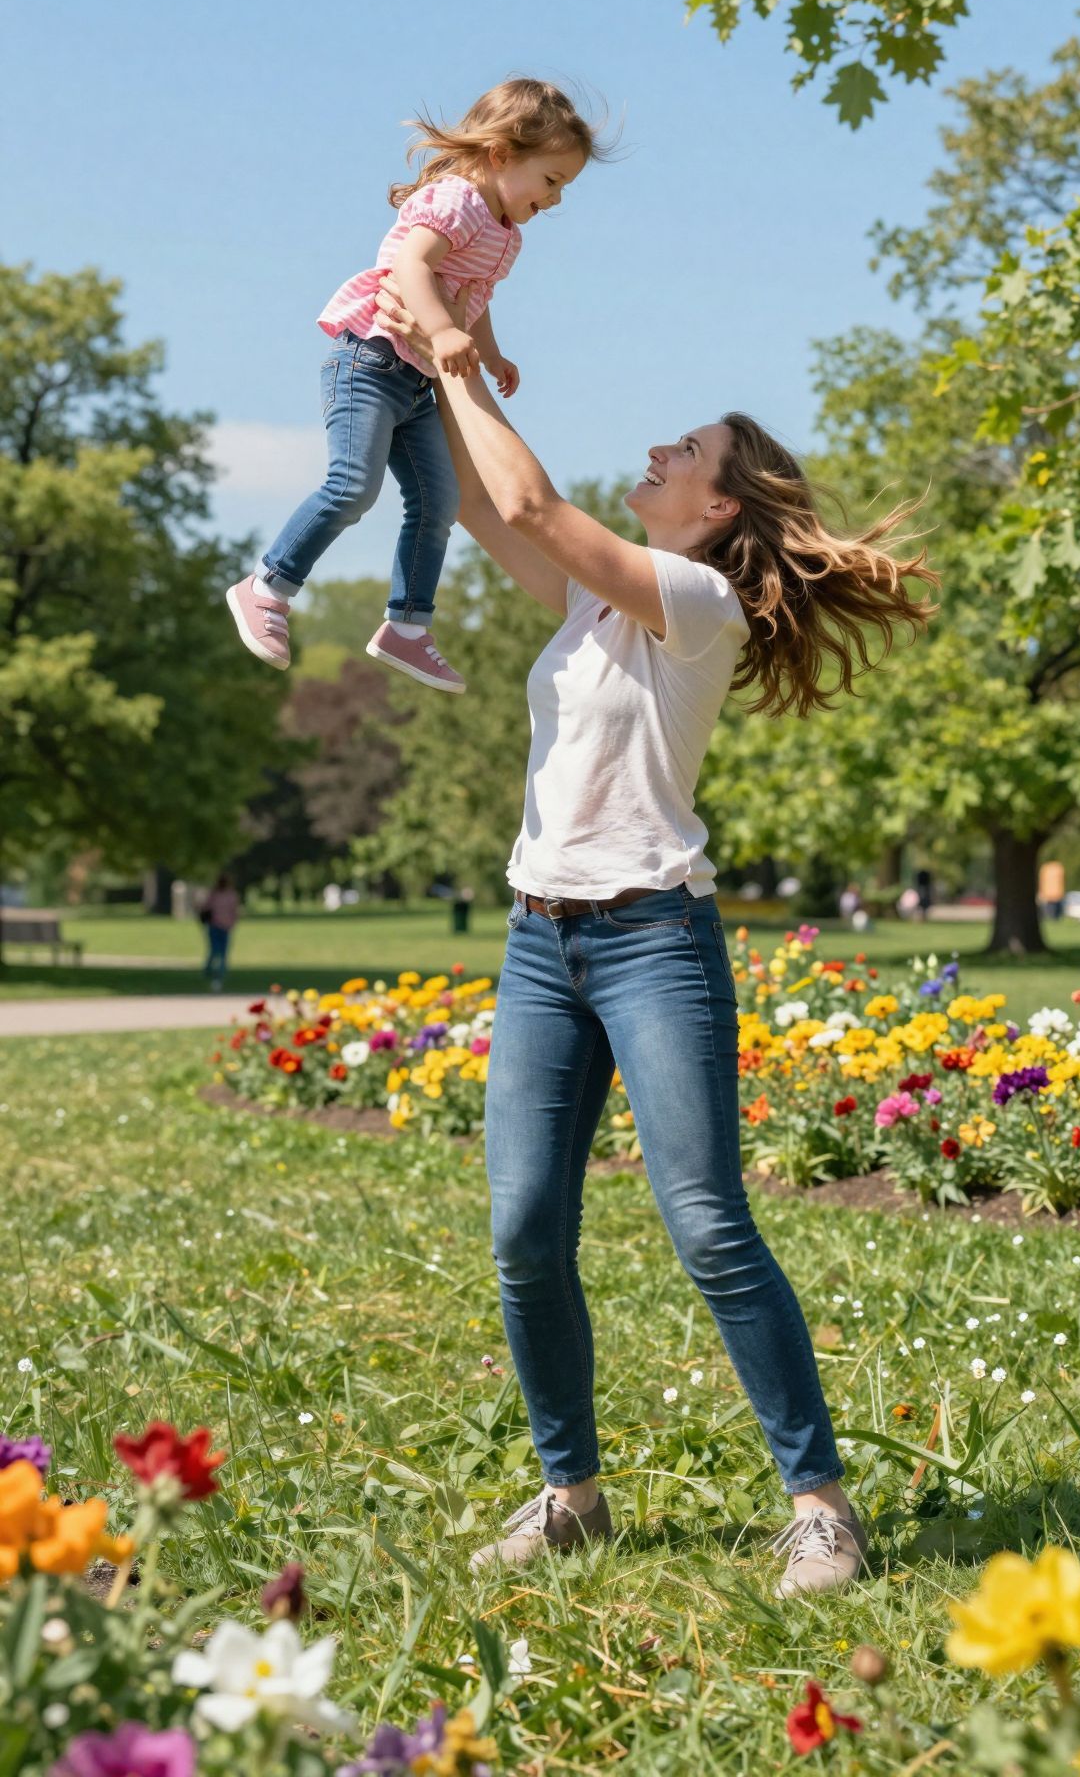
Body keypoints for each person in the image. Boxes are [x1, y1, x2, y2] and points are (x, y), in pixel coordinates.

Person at [375, 282, 934, 1595]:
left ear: (720, 506)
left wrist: (462, 362)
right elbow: (476, 498)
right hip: (537, 943)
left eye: (684, 453)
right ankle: (570, 1493)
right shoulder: (590, 609)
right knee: (522, 1229)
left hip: (652, 943)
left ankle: (821, 1507)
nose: (657, 456)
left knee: (708, 1225)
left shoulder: (694, 601)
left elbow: (530, 505)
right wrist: (417, 344)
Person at [226, 78, 602, 693]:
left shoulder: (506, 234)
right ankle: (266, 586)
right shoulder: (454, 200)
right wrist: (440, 330)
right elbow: (410, 264)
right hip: (370, 358)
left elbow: (473, 298)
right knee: (353, 485)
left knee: (438, 503)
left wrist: (489, 350)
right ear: (501, 155)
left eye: (565, 187)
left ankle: (406, 627)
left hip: (417, 380)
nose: (556, 198)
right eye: (552, 180)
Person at [201, 874, 240, 991]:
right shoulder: (230, 895)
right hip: (223, 927)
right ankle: (217, 974)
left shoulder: (215, 894)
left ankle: (211, 972)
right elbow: (235, 911)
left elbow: (205, 908)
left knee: (215, 950)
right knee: (221, 952)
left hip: (216, 926)